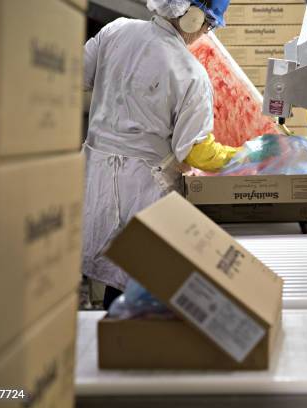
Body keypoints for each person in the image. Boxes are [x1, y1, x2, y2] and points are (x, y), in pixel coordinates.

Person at [82, 0, 236, 310]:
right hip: (142, 189)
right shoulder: (189, 71)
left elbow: (78, 76)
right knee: (134, 278)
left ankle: (105, 331)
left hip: (93, 175)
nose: (206, 32)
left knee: (104, 270)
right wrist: (244, 156)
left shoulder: (116, 30)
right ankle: (126, 340)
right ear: (193, 17)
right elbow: (195, 149)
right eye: (209, 25)